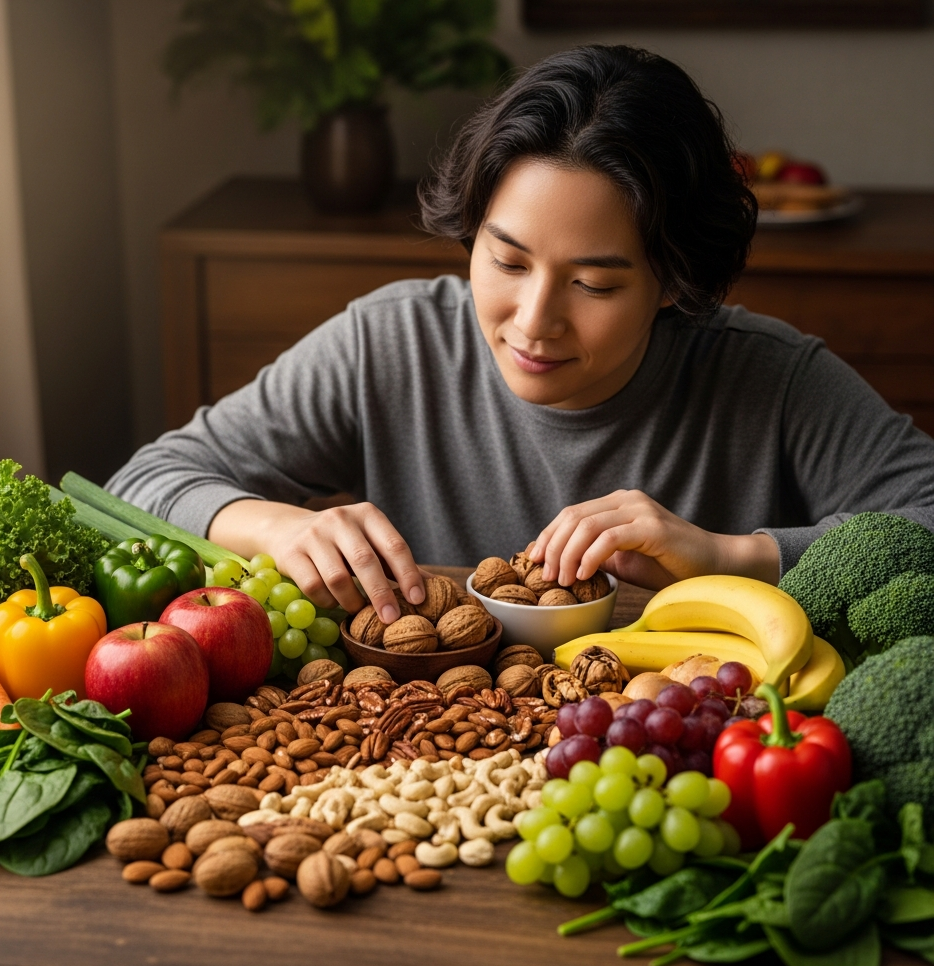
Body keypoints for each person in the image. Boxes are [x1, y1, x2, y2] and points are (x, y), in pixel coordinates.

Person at [108, 45, 934, 626]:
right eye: (506, 261)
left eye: (594, 284)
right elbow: (145, 481)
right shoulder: (390, 344)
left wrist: (724, 553)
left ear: (672, 282)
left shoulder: (770, 377)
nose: (534, 321)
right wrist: (276, 526)